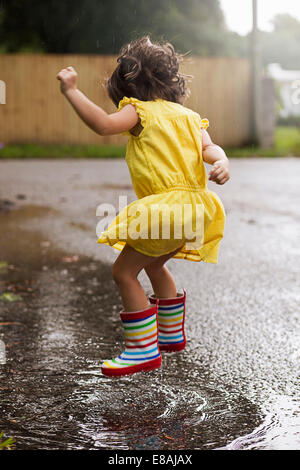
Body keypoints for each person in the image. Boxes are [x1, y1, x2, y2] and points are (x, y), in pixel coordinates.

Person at [57, 36, 230, 378]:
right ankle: (169, 334)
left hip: (166, 209)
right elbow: (211, 148)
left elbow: (103, 125)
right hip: (197, 209)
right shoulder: (190, 116)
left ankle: (142, 350)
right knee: (154, 265)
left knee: (123, 272)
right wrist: (222, 160)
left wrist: (72, 92)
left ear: (127, 83)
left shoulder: (139, 110)